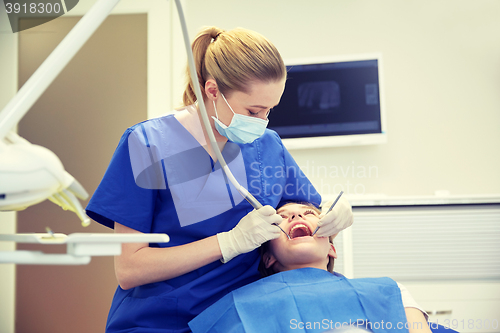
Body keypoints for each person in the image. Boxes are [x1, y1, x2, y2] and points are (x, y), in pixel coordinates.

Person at [85, 26, 354, 332]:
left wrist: (336, 211)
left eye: (269, 110)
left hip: (244, 319)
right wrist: (228, 242)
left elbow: (302, 210)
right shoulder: (147, 144)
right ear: (212, 91)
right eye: (253, 110)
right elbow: (130, 269)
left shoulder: (267, 145)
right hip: (160, 322)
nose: (262, 121)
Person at [188, 202, 432, 333]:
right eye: (283, 217)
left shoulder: (389, 290)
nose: (296, 217)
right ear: (268, 258)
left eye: (308, 213)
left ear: (331, 248)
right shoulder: (236, 306)